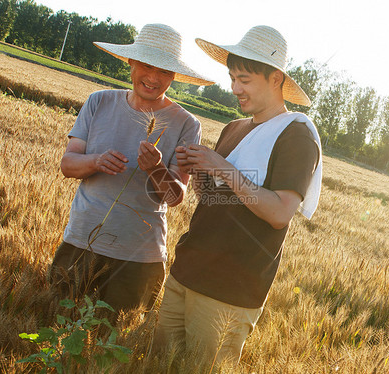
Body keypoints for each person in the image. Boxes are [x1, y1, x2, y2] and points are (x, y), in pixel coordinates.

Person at [152, 25, 323, 366]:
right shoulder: (234, 128)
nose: (234, 88)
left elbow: (279, 213)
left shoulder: (297, 134)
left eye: (244, 80)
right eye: (232, 78)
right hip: (186, 271)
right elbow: (214, 200)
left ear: (276, 78)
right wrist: (200, 168)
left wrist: (219, 165)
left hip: (229, 291)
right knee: (156, 365)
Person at [49, 24, 213, 315]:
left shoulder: (188, 124)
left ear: (174, 76)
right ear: (131, 62)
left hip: (138, 259)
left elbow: (176, 197)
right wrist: (96, 161)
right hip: (80, 243)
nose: (153, 78)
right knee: (57, 324)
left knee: (112, 351)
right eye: (147, 66)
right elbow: (67, 165)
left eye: (164, 71)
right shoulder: (99, 101)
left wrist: (156, 169)